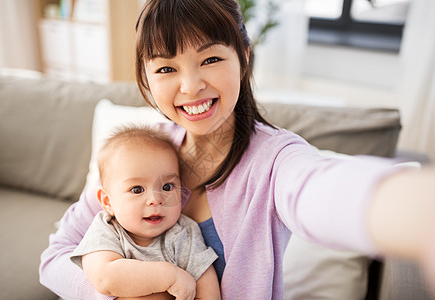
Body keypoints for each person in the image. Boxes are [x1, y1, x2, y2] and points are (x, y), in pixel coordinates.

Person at [40, 0, 435, 299]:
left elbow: (324, 189)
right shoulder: (141, 150)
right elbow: (56, 255)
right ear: (145, 76)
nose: (191, 86)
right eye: (166, 68)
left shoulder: (275, 161)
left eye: (210, 58)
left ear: (244, 59)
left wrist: (418, 209)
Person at [69, 126, 220, 300]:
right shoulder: (106, 229)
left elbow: (209, 290)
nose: (155, 200)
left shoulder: (184, 232)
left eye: (167, 187)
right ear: (107, 201)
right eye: (137, 189)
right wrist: (169, 276)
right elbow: (105, 278)